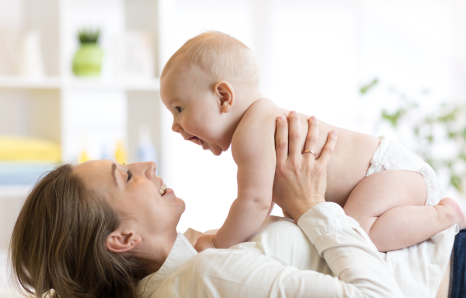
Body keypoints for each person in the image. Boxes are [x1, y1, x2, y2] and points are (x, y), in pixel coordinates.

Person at [10, 113, 461, 298]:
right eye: (126, 177)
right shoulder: (210, 278)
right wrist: (311, 206)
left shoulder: (198, 262)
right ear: (124, 238)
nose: (147, 168)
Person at [159, 31, 465, 253]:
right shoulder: (258, 124)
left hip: (387, 173)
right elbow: (263, 212)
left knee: (356, 236)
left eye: (179, 108)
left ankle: (444, 214)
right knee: (344, 231)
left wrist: (217, 242)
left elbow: (254, 204)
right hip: (386, 175)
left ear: (223, 97)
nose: (174, 125)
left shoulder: (251, 132)